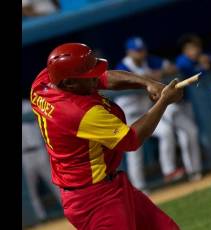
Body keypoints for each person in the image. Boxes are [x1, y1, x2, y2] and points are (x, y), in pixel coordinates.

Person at [30, 43, 180, 229]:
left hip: (109, 185)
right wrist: (164, 101)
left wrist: (147, 82)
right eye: (88, 76)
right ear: (69, 83)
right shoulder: (79, 113)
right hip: (93, 199)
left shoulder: (43, 81)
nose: (95, 79)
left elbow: (105, 77)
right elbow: (131, 139)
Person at [114, 36, 184, 191]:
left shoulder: (150, 61)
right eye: (136, 51)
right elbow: (132, 81)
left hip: (145, 114)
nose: (141, 54)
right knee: (134, 150)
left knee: (166, 131)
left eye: (142, 50)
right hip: (127, 116)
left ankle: (169, 170)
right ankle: (139, 188)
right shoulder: (123, 65)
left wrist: (161, 72)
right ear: (129, 52)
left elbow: (173, 68)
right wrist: (152, 77)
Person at [22, 99, 61, 222]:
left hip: (39, 149)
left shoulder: (28, 105)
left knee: (55, 183)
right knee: (31, 191)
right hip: (24, 156)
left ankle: (68, 210)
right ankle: (40, 219)